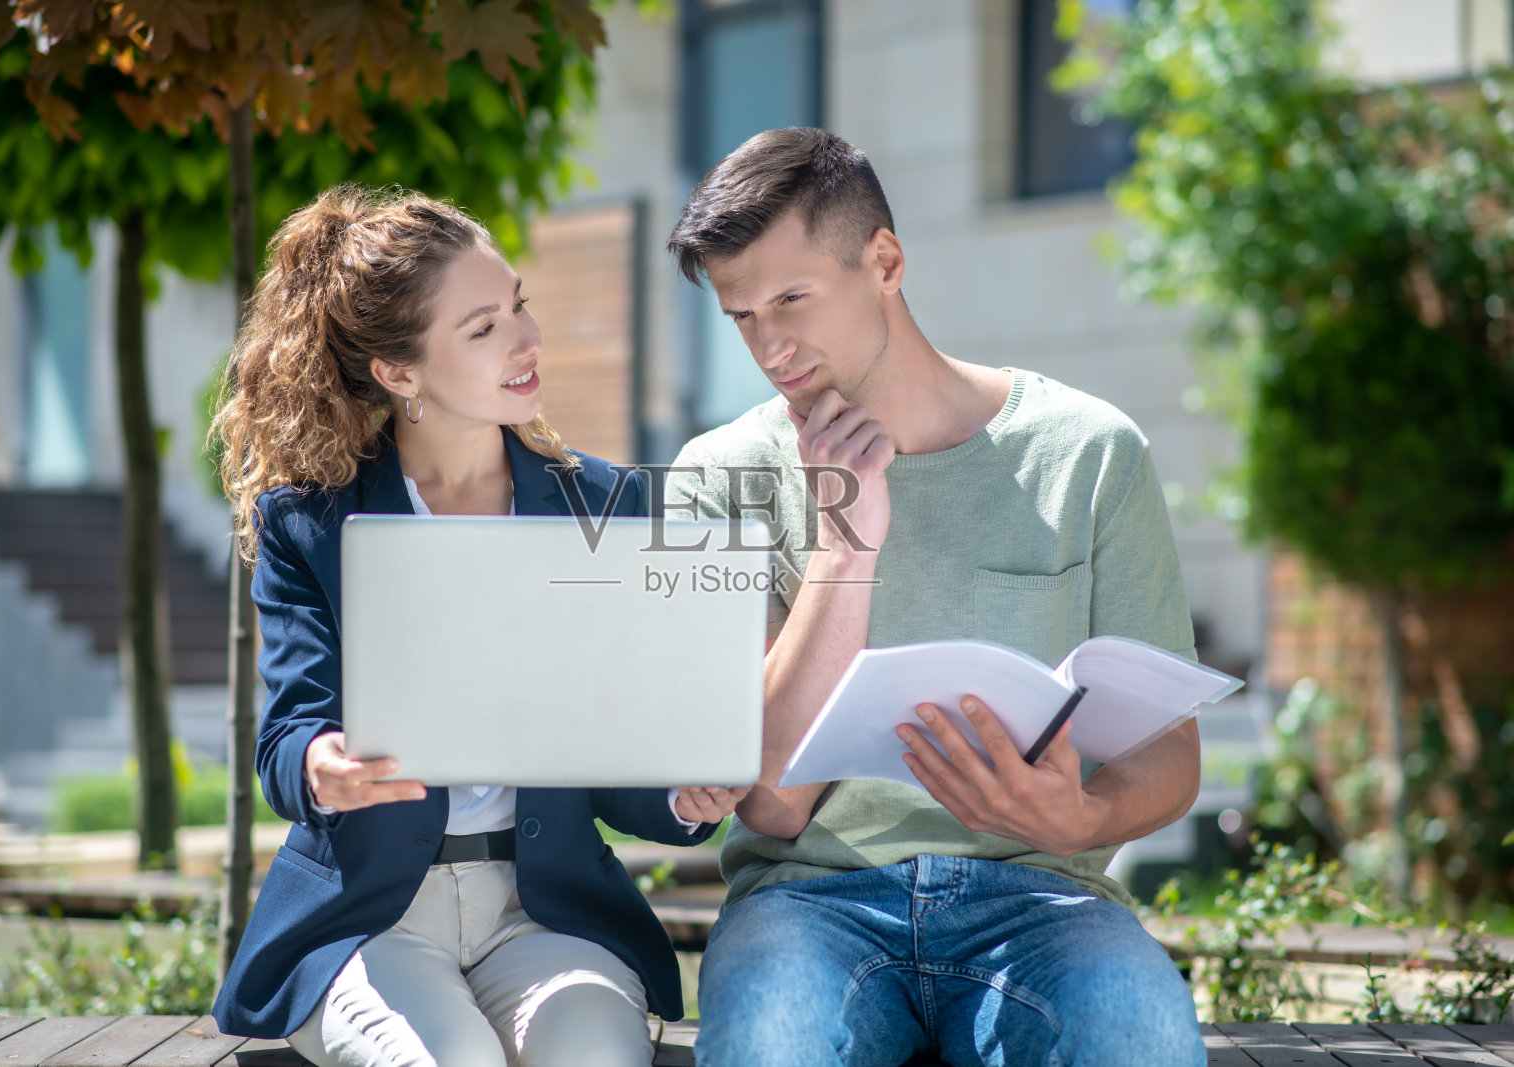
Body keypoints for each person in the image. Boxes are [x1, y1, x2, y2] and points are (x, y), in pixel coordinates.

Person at [662, 129, 1207, 1067]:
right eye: (743, 315)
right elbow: (775, 805)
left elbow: (1168, 761)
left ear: (885, 260)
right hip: (808, 904)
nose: (771, 345)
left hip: (1042, 902)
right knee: (768, 1044)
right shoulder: (717, 477)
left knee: (1139, 1033)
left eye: (792, 298)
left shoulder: (1089, 453)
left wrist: (1080, 820)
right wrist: (845, 545)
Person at [209, 185, 744, 1067]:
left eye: (518, 306)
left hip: (543, 912)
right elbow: (288, 741)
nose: (526, 339)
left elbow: (618, 766)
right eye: (482, 326)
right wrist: (323, 766)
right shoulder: (308, 524)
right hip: (373, 918)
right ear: (398, 372)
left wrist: (682, 795)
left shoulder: (606, 504)